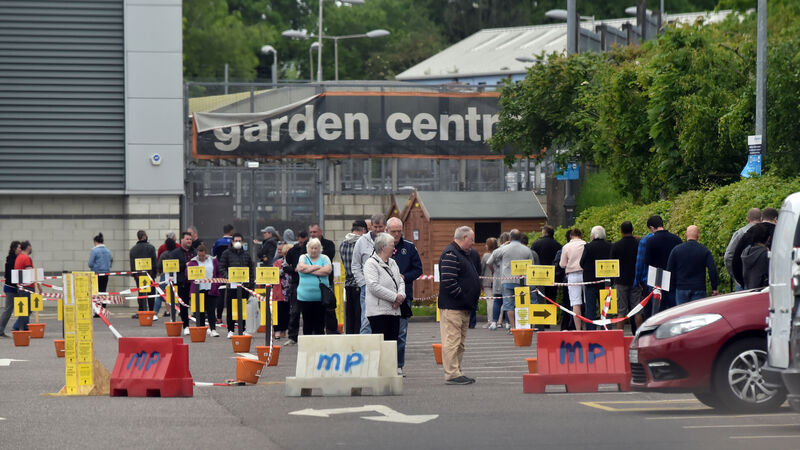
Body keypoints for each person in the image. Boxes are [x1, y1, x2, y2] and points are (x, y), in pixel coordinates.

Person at [438, 226, 481, 385]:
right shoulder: (451, 254)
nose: (473, 243)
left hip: (462, 306)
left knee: (460, 343)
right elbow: (449, 281)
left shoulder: (463, 253)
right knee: (452, 341)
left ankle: (457, 371)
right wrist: (464, 297)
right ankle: (452, 374)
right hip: (453, 306)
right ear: (463, 238)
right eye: (471, 239)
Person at [387, 217, 422, 376]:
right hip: (384, 296)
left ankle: (399, 365)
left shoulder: (409, 247)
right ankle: (384, 365)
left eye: (399, 231)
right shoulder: (380, 247)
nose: (396, 234)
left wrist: (404, 277)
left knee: (401, 333)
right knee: (385, 331)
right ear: (387, 231)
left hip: (404, 295)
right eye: (393, 231)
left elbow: (418, 269)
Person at [486, 229, 538, 331]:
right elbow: (532, 266)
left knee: (508, 304)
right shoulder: (527, 250)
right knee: (522, 304)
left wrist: (494, 270)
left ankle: (513, 327)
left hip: (507, 280)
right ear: (520, 238)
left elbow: (489, 261)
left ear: (510, 238)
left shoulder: (504, 249)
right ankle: (524, 325)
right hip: (522, 281)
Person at [364, 232, 405, 344]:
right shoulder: (370, 264)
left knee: (392, 345)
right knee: (381, 346)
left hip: (394, 311)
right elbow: (373, 286)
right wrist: (395, 297)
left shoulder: (393, 263)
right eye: (392, 245)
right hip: (378, 313)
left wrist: (401, 295)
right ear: (383, 247)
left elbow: (400, 281)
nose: (394, 247)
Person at [352, 213, 387, 334]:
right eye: (375, 227)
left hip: (385, 289)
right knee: (366, 321)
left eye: (380, 227)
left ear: (385, 226)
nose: (377, 230)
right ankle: (365, 350)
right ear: (370, 226)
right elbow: (355, 265)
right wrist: (363, 283)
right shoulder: (361, 241)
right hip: (367, 289)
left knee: (384, 321)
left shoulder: (389, 241)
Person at [666, 225, 719, 304]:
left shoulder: (676, 250)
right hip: (699, 288)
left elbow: (670, 269)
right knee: (697, 314)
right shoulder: (704, 250)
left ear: (686, 234)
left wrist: (672, 287)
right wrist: (714, 288)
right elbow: (712, 269)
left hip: (681, 288)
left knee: (682, 314)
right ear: (698, 235)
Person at [219, 233, 254, 338]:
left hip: (244, 286)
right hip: (231, 286)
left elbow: (251, 269)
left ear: (242, 242)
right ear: (232, 242)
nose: (238, 242)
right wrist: (229, 277)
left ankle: (243, 329)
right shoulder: (226, 253)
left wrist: (250, 282)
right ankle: (230, 330)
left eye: (240, 240)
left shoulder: (246, 254)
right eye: (236, 240)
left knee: (243, 308)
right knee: (230, 308)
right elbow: (222, 268)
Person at [643, 215, 682, 311]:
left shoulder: (650, 241)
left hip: (656, 280)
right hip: (673, 279)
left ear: (652, 228)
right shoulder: (676, 239)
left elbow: (647, 261)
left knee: (658, 309)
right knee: (674, 309)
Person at [732, 207, 778, 288]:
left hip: (748, 283)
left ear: (762, 218)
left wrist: (741, 282)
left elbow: (735, 257)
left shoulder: (750, 232)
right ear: (775, 219)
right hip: (772, 285)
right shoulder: (778, 232)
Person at [296, 237, 332, 336]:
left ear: (320, 248)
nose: (313, 250)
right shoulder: (303, 257)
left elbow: (327, 270)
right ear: (308, 248)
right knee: (307, 323)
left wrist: (308, 270)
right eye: (311, 248)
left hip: (321, 297)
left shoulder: (325, 258)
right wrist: (317, 267)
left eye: (316, 248)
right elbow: (300, 267)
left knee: (319, 323)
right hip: (305, 297)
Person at [579, 226, 612, 331]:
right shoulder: (610, 246)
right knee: (605, 306)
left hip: (591, 281)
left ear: (592, 235)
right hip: (605, 281)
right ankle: (605, 327)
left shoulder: (588, 247)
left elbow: (582, 262)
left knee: (591, 307)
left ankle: (591, 328)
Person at [610, 222, 641, 332]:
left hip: (620, 281)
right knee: (637, 309)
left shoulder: (616, 245)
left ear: (621, 231)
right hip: (635, 280)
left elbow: (612, 263)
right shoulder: (638, 244)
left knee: (621, 310)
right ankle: (638, 335)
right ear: (633, 229)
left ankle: (619, 335)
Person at [309, 223, 337, 334]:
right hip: (311, 283)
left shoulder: (329, 244)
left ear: (320, 232)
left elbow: (327, 260)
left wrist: (311, 267)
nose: (312, 234)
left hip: (326, 283)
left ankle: (331, 330)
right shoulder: (307, 245)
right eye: (311, 232)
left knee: (329, 307)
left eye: (314, 232)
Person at [340, 220, 367, 334]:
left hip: (348, 285)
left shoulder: (343, 244)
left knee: (349, 317)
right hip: (359, 284)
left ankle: (349, 342)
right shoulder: (360, 243)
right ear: (363, 230)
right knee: (359, 318)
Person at [187, 244, 221, 336]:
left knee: (211, 311)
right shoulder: (193, 262)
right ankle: (202, 329)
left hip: (211, 289)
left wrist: (216, 284)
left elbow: (218, 273)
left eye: (203, 255)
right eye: (199, 256)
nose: (201, 257)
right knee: (200, 311)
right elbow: (188, 275)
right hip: (198, 289)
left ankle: (213, 329)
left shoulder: (213, 261)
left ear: (206, 253)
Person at [532, 225, 562, 329]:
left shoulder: (536, 244)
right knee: (551, 298)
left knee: (539, 297)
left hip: (539, 274)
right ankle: (549, 321)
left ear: (545, 233)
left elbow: (533, 259)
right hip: (552, 274)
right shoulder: (558, 245)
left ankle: (540, 321)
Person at [724, 208, 761, 290]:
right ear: (761, 219)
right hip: (762, 281)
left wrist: (735, 277)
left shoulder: (740, 233)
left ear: (748, 219)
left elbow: (728, 256)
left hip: (743, 280)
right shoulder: (768, 232)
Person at [282, 230, 309, 345]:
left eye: (304, 241)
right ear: (298, 239)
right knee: (294, 311)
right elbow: (285, 267)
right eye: (301, 241)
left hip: (308, 283)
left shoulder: (311, 249)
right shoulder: (293, 251)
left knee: (308, 310)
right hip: (296, 283)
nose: (302, 243)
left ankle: (309, 335)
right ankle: (293, 337)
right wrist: (295, 270)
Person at [167, 231, 196, 334]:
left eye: (190, 239)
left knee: (198, 304)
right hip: (182, 282)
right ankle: (186, 326)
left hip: (194, 283)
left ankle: (200, 325)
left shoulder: (195, 252)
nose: (189, 241)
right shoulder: (175, 253)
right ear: (182, 240)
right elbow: (172, 267)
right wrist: (185, 265)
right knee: (183, 305)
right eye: (187, 239)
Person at [560, 229, 587, 330]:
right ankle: (589, 325)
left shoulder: (566, 246)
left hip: (572, 275)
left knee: (575, 302)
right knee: (587, 300)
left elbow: (562, 264)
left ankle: (578, 328)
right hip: (585, 274)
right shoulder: (585, 244)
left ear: (571, 236)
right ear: (581, 235)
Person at [129, 230, 157, 319]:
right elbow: (154, 262)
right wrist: (154, 273)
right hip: (149, 274)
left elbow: (132, 264)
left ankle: (141, 311)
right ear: (144, 236)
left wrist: (134, 275)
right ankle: (151, 311)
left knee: (141, 293)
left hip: (139, 275)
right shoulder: (151, 248)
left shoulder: (133, 249)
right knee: (151, 293)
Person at [12, 241, 37, 332]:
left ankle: (22, 325)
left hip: (21, 286)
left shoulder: (18, 258)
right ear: (28, 247)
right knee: (28, 308)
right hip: (28, 286)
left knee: (24, 308)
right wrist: (37, 284)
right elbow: (30, 273)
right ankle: (19, 326)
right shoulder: (26, 258)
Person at [741, 223, 772, 290]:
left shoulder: (746, 252)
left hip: (749, 289)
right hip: (763, 290)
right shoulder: (765, 254)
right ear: (768, 238)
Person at [553, 229, 574, 330]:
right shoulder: (582, 247)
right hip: (579, 281)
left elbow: (558, 266)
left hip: (565, 281)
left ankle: (565, 326)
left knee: (566, 303)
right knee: (578, 304)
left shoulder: (562, 250)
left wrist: (558, 281)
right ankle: (574, 325)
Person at [271, 243, 293, 339]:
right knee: (278, 312)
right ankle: (277, 331)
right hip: (279, 291)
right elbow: (274, 274)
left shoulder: (295, 262)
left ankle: (284, 330)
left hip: (290, 291)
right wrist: (284, 269)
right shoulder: (278, 262)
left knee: (288, 312)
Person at [0, 241, 21, 337]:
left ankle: (20, 328)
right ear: (14, 249)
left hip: (16, 287)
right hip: (11, 287)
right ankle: (0, 330)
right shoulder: (11, 260)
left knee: (21, 308)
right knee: (8, 310)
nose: (20, 249)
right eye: (19, 248)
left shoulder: (17, 259)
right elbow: (8, 275)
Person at [155, 236, 177, 318]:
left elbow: (159, 265)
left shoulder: (164, 254)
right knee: (174, 295)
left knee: (160, 295)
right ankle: (173, 312)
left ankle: (155, 313)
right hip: (175, 275)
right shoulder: (176, 253)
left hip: (165, 275)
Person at [482, 237, 501, 330]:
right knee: (499, 300)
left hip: (487, 281)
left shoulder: (486, 256)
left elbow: (481, 268)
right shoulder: (499, 254)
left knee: (490, 301)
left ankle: (490, 321)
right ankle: (499, 321)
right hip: (499, 280)